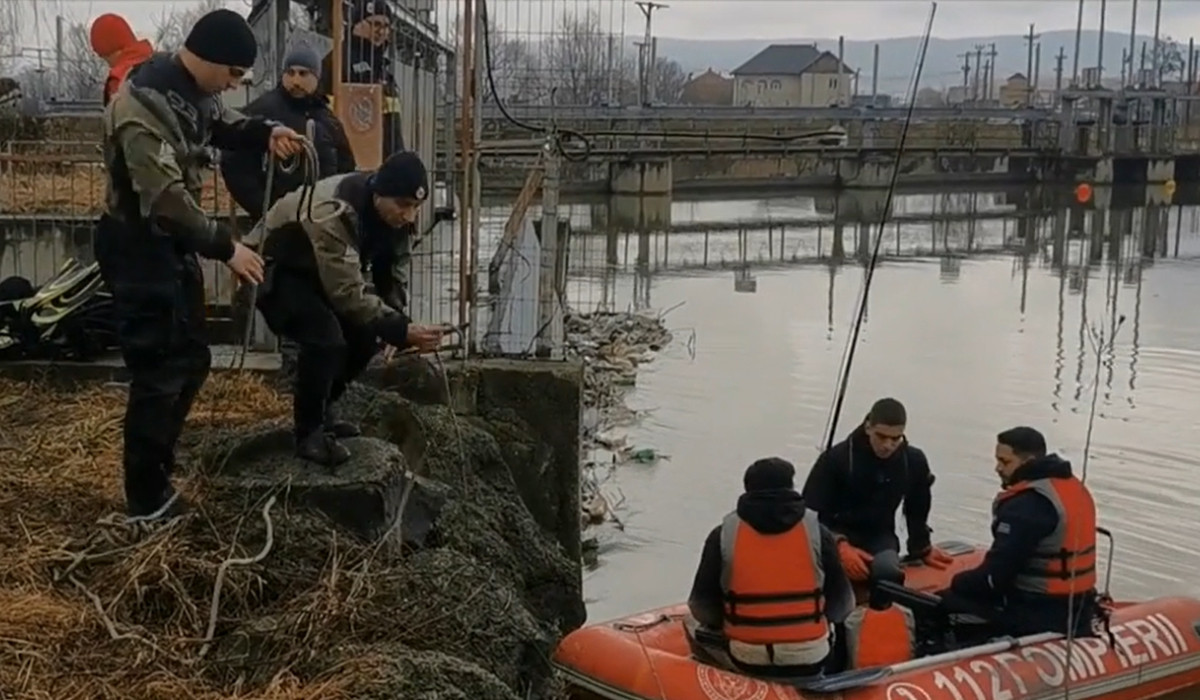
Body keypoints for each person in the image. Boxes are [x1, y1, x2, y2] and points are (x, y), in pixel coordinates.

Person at [95, 8, 305, 518]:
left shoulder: (189, 89)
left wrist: (265, 131)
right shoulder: (143, 106)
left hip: (170, 245)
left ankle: (160, 465)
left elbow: (221, 122)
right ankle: (146, 498)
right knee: (159, 370)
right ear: (210, 58)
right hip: (138, 246)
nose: (233, 86)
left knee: (192, 359)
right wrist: (228, 248)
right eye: (233, 74)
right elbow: (166, 201)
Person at [255, 151, 448, 467]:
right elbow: (346, 293)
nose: (410, 216)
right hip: (272, 269)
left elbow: (393, 274)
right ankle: (308, 433)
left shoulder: (394, 218)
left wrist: (396, 322)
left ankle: (324, 410)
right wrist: (400, 330)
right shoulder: (335, 212)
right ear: (379, 194)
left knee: (365, 337)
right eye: (403, 205)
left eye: (416, 207)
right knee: (324, 339)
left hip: (317, 273)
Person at [686, 457, 854, 678]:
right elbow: (843, 606)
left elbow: (700, 607)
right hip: (809, 657)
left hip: (747, 657)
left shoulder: (722, 535)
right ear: (790, 486)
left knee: (689, 622)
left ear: (747, 490)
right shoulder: (818, 532)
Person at [940, 427, 1098, 637]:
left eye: (1005, 462)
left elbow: (994, 578)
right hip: (1080, 604)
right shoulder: (1071, 487)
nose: (997, 468)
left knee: (942, 602)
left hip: (1038, 610)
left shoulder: (1027, 505)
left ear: (1028, 461)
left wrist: (957, 582)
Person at [802, 398, 953, 585]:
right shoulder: (836, 459)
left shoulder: (913, 461)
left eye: (895, 438)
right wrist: (839, 545)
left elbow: (917, 509)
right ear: (868, 427)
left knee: (887, 572)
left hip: (879, 538)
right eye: (881, 436)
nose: (888, 445)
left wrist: (922, 547)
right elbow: (809, 515)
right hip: (833, 536)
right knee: (831, 575)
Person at [221, 47, 357, 222]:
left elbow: (345, 163)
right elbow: (235, 163)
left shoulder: (326, 116)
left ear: (317, 77)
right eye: (290, 73)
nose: (295, 80)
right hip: (277, 219)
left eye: (303, 73)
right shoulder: (263, 111)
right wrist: (265, 210)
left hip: (319, 216)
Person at [88, 13, 154, 105]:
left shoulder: (119, 79)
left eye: (103, 55)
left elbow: (118, 113)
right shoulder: (156, 64)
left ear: (108, 48)